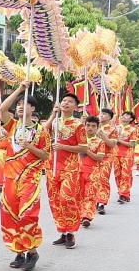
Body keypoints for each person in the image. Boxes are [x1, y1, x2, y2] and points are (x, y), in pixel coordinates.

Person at [0, 83, 50, 270]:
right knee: (10, 215)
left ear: (33, 108)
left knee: (27, 214)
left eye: (25, 104)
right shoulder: (12, 125)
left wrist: (29, 146)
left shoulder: (41, 131)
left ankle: (32, 252)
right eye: (19, 104)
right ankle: (19, 253)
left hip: (30, 178)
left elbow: (46, 155)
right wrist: (19, 89)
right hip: (10, 178)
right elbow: (3, 108)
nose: (20, 106)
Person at [46, 92, 88, 249]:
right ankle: (62, 232)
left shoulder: (78, 125)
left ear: (75, 107)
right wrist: (52, 114)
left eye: (70, 102)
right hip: (52, 166)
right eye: (64, 100)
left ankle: (71, 232)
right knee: (55, 201)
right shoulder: (54, 122)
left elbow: (83, 148)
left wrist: (63, 146)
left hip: (70, 167)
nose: (66, 103)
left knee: (66, 199)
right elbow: (43, 131)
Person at [79, 115, 109, 228]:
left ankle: (87, 216)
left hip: (93, 172)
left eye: (93, 126)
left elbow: (99, 158)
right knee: (79, 195)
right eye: (88, 125)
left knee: (90, 195)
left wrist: (86, 151)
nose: (90, 128)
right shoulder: (78, 139)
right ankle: (80, 215)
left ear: (97, 128)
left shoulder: (99, 142)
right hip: (78, 171)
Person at [95, 108, 118, 215]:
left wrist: (102, 134)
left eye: (104, 114)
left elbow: (112, 144)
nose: (101, 116)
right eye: (100, 114)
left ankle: (101, 202)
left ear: (109, 117)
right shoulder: (91, 126)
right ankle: (92, 200)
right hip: (92, 156)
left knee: (103, 179)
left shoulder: (112, 130)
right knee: (91, 179)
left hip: (106, 157)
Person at [114, 111, 137, 202]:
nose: (123, 116)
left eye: (126, 115)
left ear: (131, 119)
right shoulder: (116, 128)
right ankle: (122, 191)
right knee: (117, 175)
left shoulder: (132, 130)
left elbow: (131, 144)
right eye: (123, 115)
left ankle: (124, 194)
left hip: (127, 155)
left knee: (125, 174)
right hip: (116, 154)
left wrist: (119, 140)